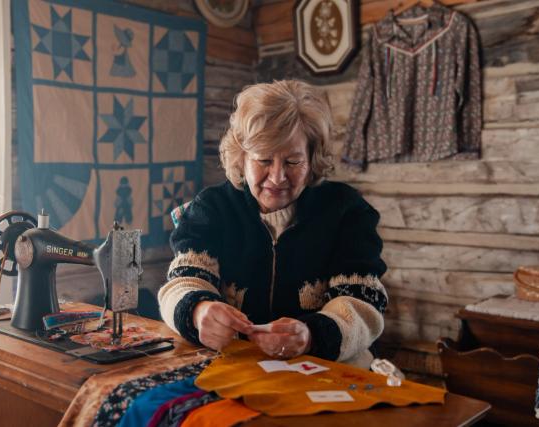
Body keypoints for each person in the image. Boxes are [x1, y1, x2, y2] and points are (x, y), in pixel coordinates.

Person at [158, 80, 388, 368]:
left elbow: (362, 304)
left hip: (328, 369)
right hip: (234, 367)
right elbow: (182, 281)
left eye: (293, 161)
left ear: (313, 159)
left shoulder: (347, 212)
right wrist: (197, 310)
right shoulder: (211, 209)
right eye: (264, 160)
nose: (278, 177)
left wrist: (311, 335)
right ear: (241, 159)